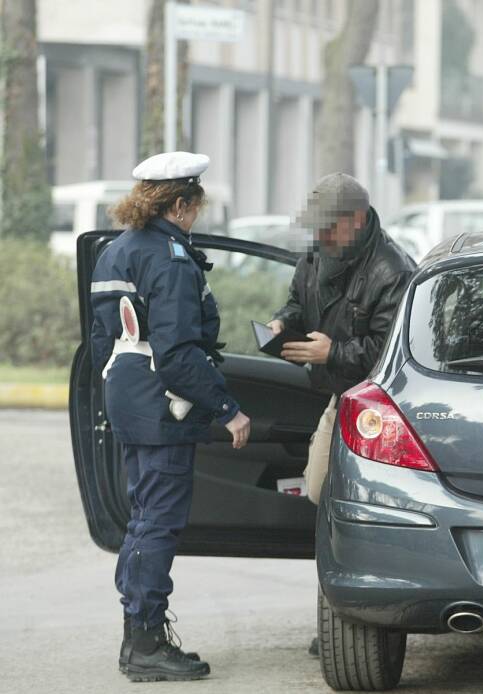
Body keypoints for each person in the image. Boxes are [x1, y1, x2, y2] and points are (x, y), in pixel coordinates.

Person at [90, 151, 251, 682]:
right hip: (163, 405)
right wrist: (227, 409)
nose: (195, 218)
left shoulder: (116, 252)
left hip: (129, 400)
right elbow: (179, 352)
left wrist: (120, 391)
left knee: (142, 518)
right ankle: (145, 642)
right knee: (157, 523)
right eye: (196, 208)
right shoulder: (171, 259)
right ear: (180, 205)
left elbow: (99, 341)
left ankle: (138, 636)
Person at [267, 172, 414, 655]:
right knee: (318, 490)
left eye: (328, 228)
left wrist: (332, 354)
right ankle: (347, 614)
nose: (320, 238)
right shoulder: (316, 254)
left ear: (356, 220)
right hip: (338, 397)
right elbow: (297, 303)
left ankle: (351, 619)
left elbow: (391, 353)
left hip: (378, 410)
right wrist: (281, 323)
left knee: (345, 505)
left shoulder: (393, 270)